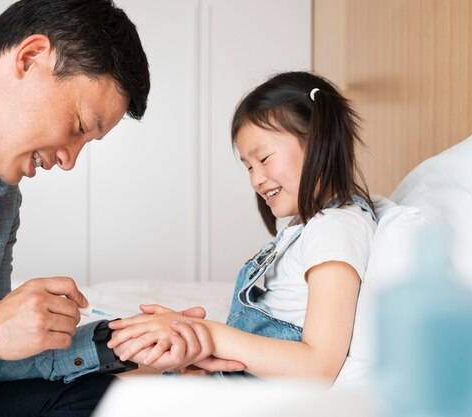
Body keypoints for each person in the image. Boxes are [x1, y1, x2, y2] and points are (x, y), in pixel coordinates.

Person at [0, 1, 237, 416]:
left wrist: (123, 342)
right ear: (31, 57)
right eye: (78, 128)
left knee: (115, 400)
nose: (69, 160)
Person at [108, 71, 378, 382]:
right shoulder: (307, 227)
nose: (256, 178)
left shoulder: (336, 229)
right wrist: (202, 348)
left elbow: (318, 366)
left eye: (264, 158)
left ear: (319, 142)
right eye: (248, 166)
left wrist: (208, 334)